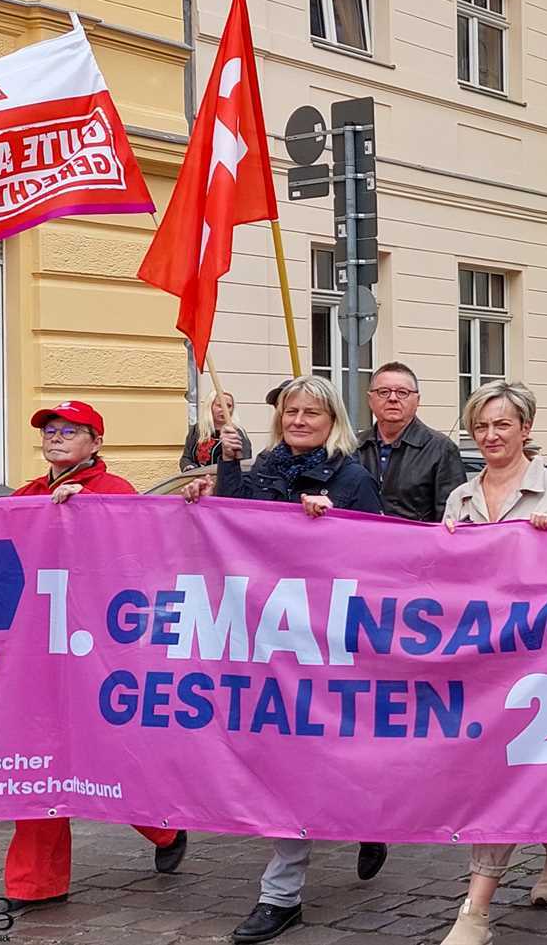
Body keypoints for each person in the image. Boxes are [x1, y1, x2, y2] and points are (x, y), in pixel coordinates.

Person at [0, 402, 189, 917]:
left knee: (113, 759)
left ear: (95, 442)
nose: (56, 438)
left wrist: (86, 517)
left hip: (99, 656)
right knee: (38, 764)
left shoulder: (115, 492)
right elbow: (2, 566)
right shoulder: (28, 495)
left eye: (69, 431)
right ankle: (34, 882)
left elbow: (136, 564)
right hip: (39, 657)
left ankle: (164, 827)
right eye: (50, 431)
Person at [179, 376, 386, 945]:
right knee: (290, 764)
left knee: (342, 754)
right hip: (268, 643)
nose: (298, 420)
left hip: (332, 643)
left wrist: (333, 524)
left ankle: (373, 817)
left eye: (311, 413)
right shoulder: (263, 469)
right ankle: (281, 896)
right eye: (291, 411)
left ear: (332, 420)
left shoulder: (352, 477)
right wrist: (213, 486)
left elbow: (382, 555)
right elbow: (230, 533)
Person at [437, 381, 547, 945]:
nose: (491, 435)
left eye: (502, 424)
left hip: (546, 659)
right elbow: (447, 582)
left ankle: (475, 910)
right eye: (481, 426)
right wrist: (444, 545)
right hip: (484, 657)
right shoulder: (460, 498)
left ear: (526, 429)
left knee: (509, 769)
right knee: (507, 769)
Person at [356, 361, 467, 522]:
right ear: (370, 399)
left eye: (402, 392)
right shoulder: (353, 446)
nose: (392, 398)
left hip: (418, 545)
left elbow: (451, 515)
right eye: (383, 392)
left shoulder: (440, 449)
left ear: (417, 400)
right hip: (361, 544)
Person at [182, 390, 252, 469]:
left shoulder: (236, 433)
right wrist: (189, 467)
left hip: (224, 478)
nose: (225, 409)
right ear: (210, 406)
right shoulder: (197, 430)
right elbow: (186, 457)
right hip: (198, 479)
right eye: (220, 405)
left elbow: (245, 464)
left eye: (228, 406)